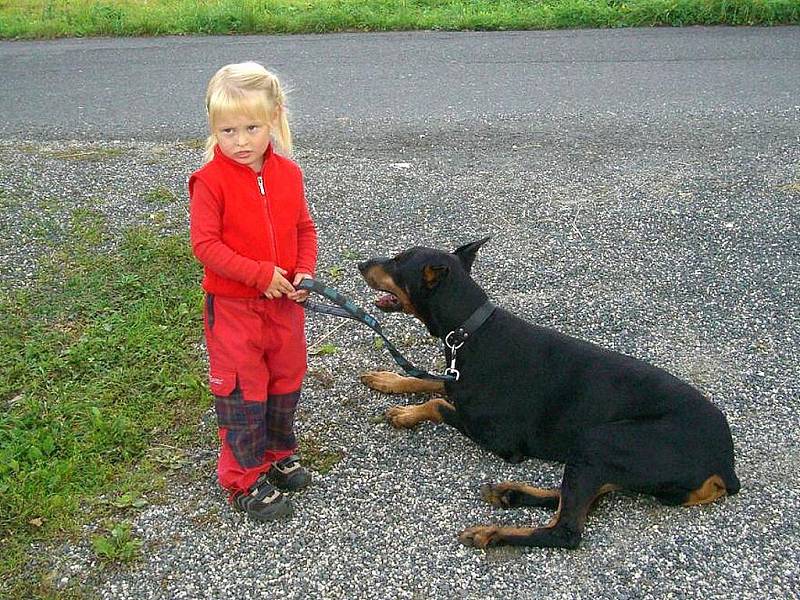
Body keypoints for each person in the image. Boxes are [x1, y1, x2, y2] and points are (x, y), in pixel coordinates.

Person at [189, 61, 317, 522]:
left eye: (251, 127)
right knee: (244, 391)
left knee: (286, 379)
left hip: (284, 306)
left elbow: (304, 227)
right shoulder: (210, 182)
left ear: (274, 118)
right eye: (227, 130)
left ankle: (278, 452)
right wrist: (260, 274)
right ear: (213, 128)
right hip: (234, 308)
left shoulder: (289, 173)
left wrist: (302, 271)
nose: (240, 141)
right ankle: (242, 476)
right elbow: (205, 246)